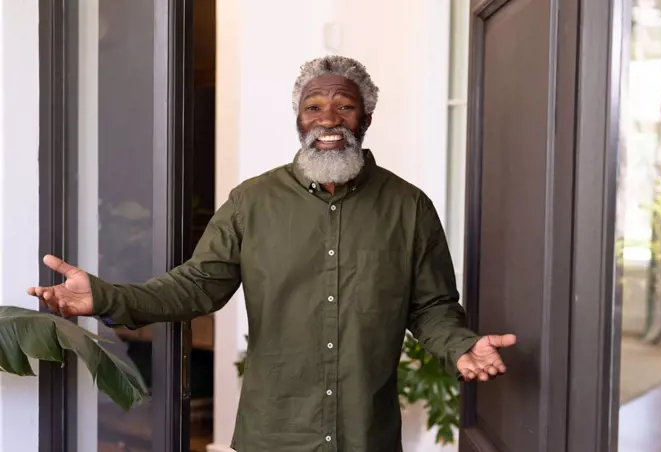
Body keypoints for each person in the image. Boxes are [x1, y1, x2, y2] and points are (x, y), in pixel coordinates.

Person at [28, 55, 516, 452]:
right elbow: (196, 286)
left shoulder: (409, 207)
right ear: (298, 118)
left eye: (344, 107)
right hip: (274, 434)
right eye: (313, 107)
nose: (328, 120)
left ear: (365, 117)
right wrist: (106, 296)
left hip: (365, 435)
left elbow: (430, 306)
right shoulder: (251, 202)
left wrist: (460, 345)